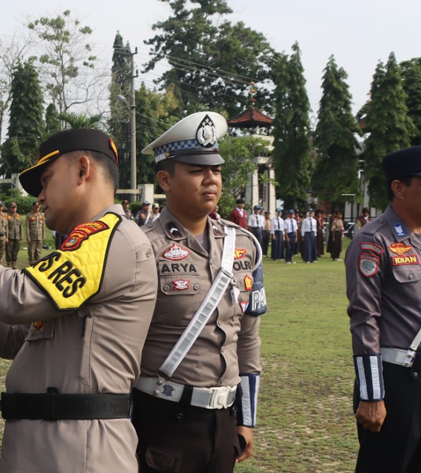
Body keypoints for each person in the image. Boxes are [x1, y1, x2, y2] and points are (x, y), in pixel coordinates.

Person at [0, 127, 158, 473]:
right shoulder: (83, 245)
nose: (39, 196)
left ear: (83, 169)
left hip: (79, 447)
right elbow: (17, 338)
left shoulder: (109, 238)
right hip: (54, 441)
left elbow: (16, 297)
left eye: (46, 180)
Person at [136, 111, 265, 472]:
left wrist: (247, 418)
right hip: (162, 420)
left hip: (223, 421)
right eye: (196, 170)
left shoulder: (245, 245)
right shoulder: (143, 248)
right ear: (165, 179)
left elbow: (248, 337)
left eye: (216, 170)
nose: (211, 179)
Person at [345, 144, 421, 473]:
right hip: (399, 382)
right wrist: (372, 394)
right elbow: (365, 320)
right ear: (399, 188)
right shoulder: (374, 241)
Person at [4, 202, 23, 269]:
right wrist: (6, 236)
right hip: (9, 236)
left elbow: (21, 226)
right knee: (9, 250)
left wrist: (21, 236)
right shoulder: (6, 216)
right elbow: (5, 227)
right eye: (13, 207)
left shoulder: (18, 216)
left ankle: (14, 263)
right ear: (9, 208)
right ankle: (9, 263)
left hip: (17, 236)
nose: (14, 209)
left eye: (15, 207)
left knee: (16, 250)